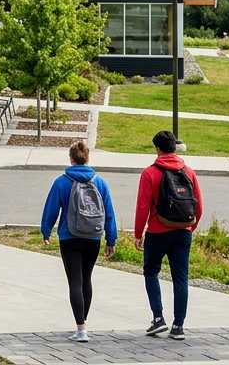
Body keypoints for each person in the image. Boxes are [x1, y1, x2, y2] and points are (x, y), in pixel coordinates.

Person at [41, 141, 118, 343]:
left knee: (74, 282)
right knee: (87, 278)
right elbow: (108, 213)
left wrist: (46, 231)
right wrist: (111, 239)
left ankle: (80, 329)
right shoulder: (100, 182)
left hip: (69, 237)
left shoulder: (62, 181)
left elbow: (51, 209)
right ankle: (84, 322)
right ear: (87, 158)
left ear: (71, 158)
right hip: (93, 237)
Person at [135, 130, 203, 341]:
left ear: (157, 149)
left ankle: (158, 318)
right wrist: (190, 228)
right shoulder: (189, 172)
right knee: (181, 278)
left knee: (151, 272)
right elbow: (198, 205)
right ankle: (178, 326)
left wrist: (138, 233)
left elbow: (143, 206)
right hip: (183, 232)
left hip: (157, 231)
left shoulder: (150, 173)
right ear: (174, 147)